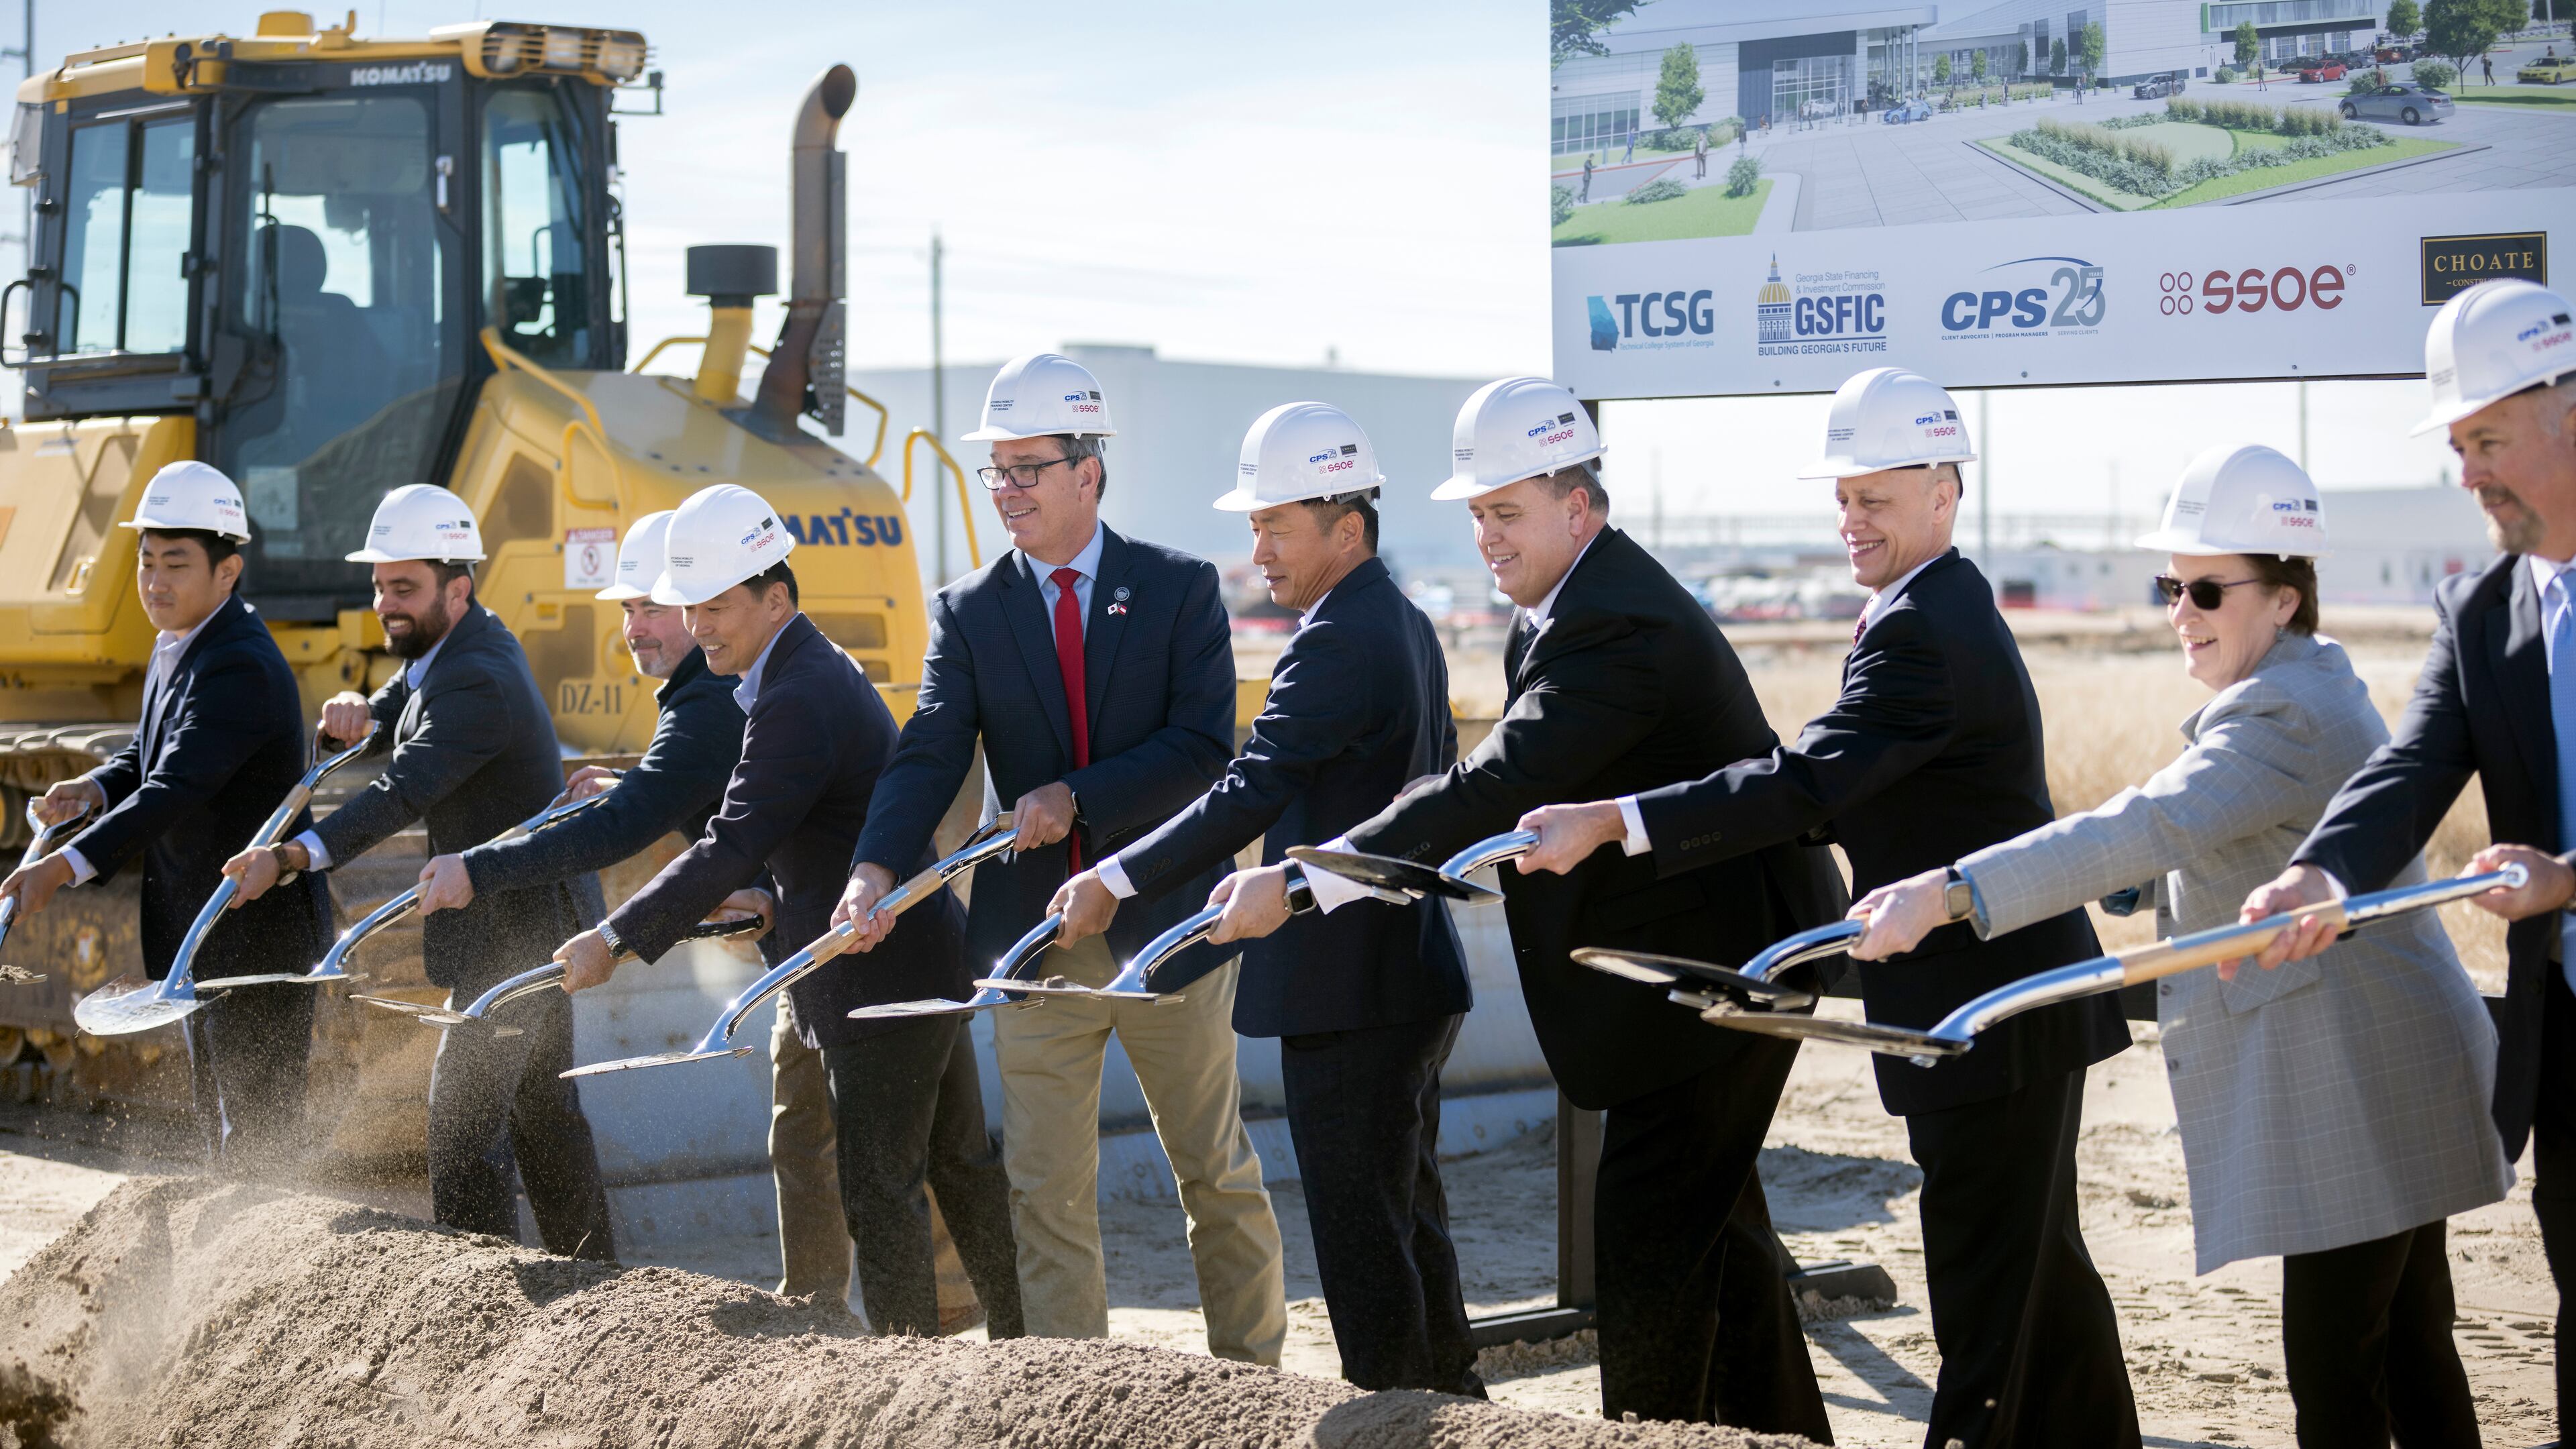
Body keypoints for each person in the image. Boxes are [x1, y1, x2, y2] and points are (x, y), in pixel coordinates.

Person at [1514, 366, 2139, 1449]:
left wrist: (1619, 819)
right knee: (2042, 1284)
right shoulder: (1931, 606)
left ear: (1945, 493)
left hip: (1981, 1008)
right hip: (2005, 998)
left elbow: (1809, 785)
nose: (1852, 520)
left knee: (1993, 1300)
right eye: (1843, 497)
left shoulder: (1922, 631)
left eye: (1877, 499)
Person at [1849, 445, 2508, 1448]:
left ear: (2285, 598)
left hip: (2359, 1076)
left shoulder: (2280, 711)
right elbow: (2207, 839)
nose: (2180, 612)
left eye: (2206, 588)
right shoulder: (2302, 682)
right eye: (2170, 586)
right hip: (2389, 1060)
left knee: (2340, 1372)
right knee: (2409, 1352)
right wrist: (2131, 877)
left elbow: (2147, 824)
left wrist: (1951, 894)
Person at [1230, 378, 1846, 1433]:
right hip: (1694, 970)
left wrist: (1303, 878)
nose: (1488, 538)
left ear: (1580, 505)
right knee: (1718, 1239)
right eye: (1477, 515)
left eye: (1507, 513)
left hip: (1721, 975)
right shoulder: (1564, 614)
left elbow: (1494, 785)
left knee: (1649, 1246)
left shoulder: (1615, 626)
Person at [833, 352, 1286, 1363]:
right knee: (1043, 1188)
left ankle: (1254, 1385)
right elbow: (930, 749)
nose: (1005, 491)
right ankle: (1072, 1399)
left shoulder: (1177, 591)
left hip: (1168, 924)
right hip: (1034, 938)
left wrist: (1077, 796)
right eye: (995, 470)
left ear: (1090, 471)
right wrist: (874, 869)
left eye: (1027, 468)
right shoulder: (968, 610)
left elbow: (1209, 750)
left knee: (1210, 1167)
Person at [1046, 402, 1479, 1395]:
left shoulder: (1338, 640)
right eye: (1253, 527)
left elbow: (1250, 785)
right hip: (1405, 975)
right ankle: (1458, 1413)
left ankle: (1400, 1420)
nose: (1258, 553)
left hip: (1351, 990)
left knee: (1367, 1247)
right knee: (1411, 1226)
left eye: (1275, 527)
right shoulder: (1401, 622)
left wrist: (1116, 875)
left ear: (1347, 529)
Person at [550, 484, 1021, 1340]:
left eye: (719, 605)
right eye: (691, 604)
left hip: (878, 976)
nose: (700, 624)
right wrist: (770, 894)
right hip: (916, 957)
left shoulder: (795, 693)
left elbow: (730, 838)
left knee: (882, 1192)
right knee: (958, 1167)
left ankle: (912, 1386)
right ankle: (1022, 1353)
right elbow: (791, 825)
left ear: (777, 598)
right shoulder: (797, 672)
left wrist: (615, 939)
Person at [2242, 278, 2576, 1437]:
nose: (2469, 471)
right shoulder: (2483, 609)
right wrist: (2322, 876)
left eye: (2486, 438)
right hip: (2568, 1037)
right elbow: (2411, 767)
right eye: (2457, 445)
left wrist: (2570, 880)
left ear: (2567, 411)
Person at [222, 484, 613, 1258]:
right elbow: (404, 698)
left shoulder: (478, 677)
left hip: (519, 929)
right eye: (378, 586)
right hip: (524, 920)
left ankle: (478, 1307)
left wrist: (295, 855)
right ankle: (596, 1293)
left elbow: (403, 791)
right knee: (544, 1119)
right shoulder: (459, 645)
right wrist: (361, 711)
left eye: (404, 588)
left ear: (456, 589)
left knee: (462, 1124)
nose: (385, 604)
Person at [3, 463, 333, 1172]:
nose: (154, 580)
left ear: (228, 569)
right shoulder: (184, 642)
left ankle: (275, 1267)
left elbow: (175, 786)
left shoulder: (239, 662)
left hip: (253, 943)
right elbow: (149, 754)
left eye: (175, 563)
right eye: (146, 561)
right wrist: (92, 788)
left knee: (257, 1133)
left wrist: (61, 865)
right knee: (225, 1128)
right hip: (206, 935)